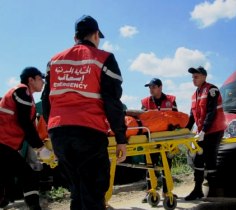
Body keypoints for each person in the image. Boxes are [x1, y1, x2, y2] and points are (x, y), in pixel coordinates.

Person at [41, 15, 127, 210]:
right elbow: (112, 102)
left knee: (77, 191)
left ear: (75, 38)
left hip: (59, 132)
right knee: (93, 192)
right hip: (89, 132)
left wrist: (52, 130)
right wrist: (121, 137)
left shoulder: (53, 61)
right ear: (96, 35)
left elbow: (46, 100)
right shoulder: (104, 59)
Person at [0, 67, 48, 210]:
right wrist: (39, 147)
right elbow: (25, 123)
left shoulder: (27, 97)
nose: (43, 82)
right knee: (27, 175)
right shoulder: (22, 91)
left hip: (5, 145)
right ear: (30, 80)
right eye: (40, 79)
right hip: (3, 144)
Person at [185, 66, 226, 200]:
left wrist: (204, 131)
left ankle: (213, 190)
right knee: (198, 160)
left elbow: (211, 112)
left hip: (214, 130)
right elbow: (192, 117)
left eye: (196, 76)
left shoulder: (212, 90)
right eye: (192, 77)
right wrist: (185, 131)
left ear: (204, 76)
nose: (193, 79)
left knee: (210, 159)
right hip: (202, 132)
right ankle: (198, 190)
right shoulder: (194, 95)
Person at [140, 78, 178, 203]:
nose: (151, 89)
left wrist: (174, 125)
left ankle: (167, 192)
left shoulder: (171, 100)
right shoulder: (145, 102)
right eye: (149, 87)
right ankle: (150, 192)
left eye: (153, 87)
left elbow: (176, 117)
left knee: (167, 165)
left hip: (167, 138)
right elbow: (141, 119)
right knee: (150, 166)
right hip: (152, 139)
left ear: (160, 87)